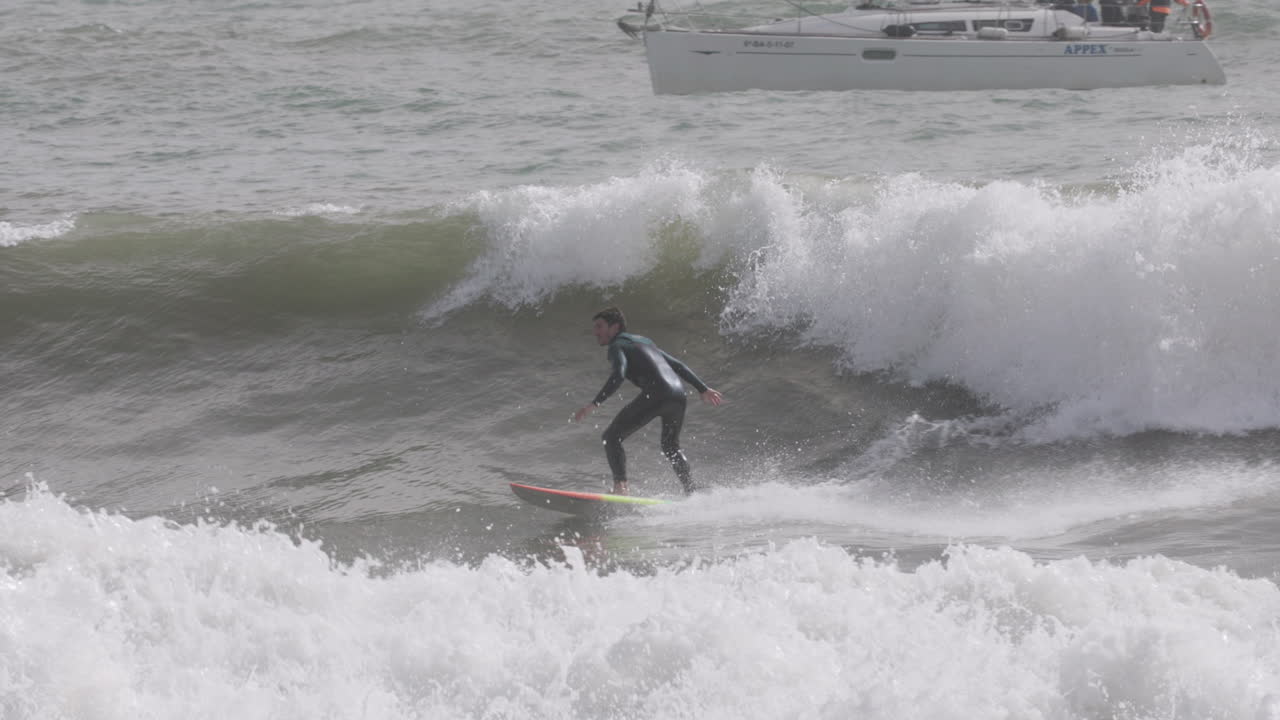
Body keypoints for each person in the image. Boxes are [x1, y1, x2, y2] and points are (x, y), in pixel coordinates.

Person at [573, 307, 723, 496]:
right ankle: (691, 490)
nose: (596, 332)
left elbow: (618, 374)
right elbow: (677, 365)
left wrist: (594, 404)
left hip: (658, 393)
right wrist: (703, 389)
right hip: (678, 394)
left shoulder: (617, 345)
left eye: (600, 326)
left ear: (615, 327)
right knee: (670, 446)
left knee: (611, 437)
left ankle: (621, 488)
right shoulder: (644, 341)